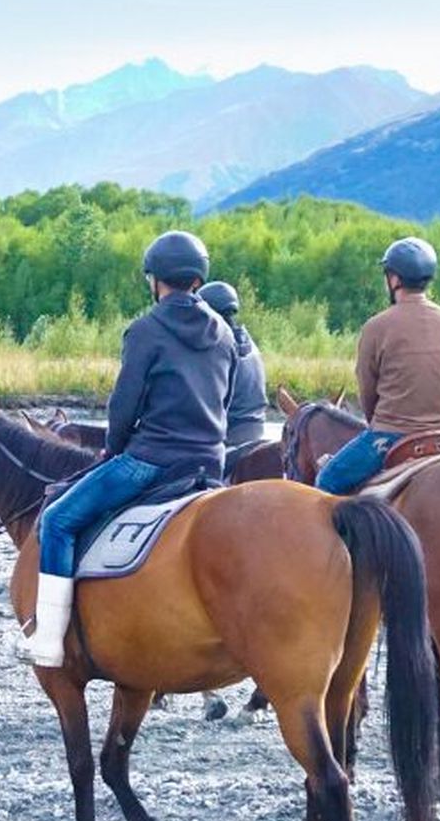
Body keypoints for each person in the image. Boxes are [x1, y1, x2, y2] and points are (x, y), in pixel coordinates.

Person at [19, 231, 236, 667]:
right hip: (209, 464)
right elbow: (225, 400)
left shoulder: (146, 330)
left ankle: (47, 642)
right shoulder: (225, 333)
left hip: (151, 462)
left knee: (59, 519)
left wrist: (114, 450)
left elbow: (124, 405)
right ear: (198, 278)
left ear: (155, 280)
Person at [316, 236, 440, 495]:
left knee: (327, 481)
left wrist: (378, 425)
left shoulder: (376, 326)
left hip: (393, 436)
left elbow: (367, 389)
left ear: (394, 279)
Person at [199, 280, 269, 479]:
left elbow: (209, 402)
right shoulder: (249, 344)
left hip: (231, 435)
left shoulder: (218, 348)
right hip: (256, 430)